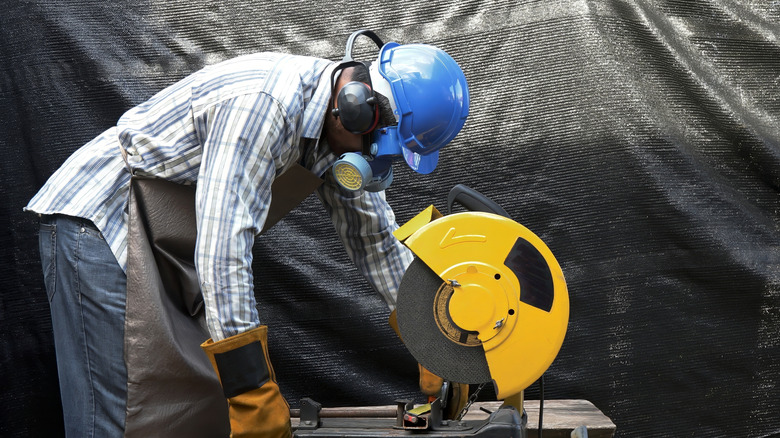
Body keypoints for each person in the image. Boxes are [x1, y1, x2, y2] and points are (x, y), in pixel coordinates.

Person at [25, 30, 469, 437]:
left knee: (181, 410)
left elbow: (376, 242)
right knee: (117, 418)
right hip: (102, 220)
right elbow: (223, 248)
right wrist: (252, 392)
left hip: (161, 239)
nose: (372, 164)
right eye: (376, 150)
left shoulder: (342, 135)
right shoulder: (265, 104)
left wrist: (432, 338)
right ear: (356, 107)